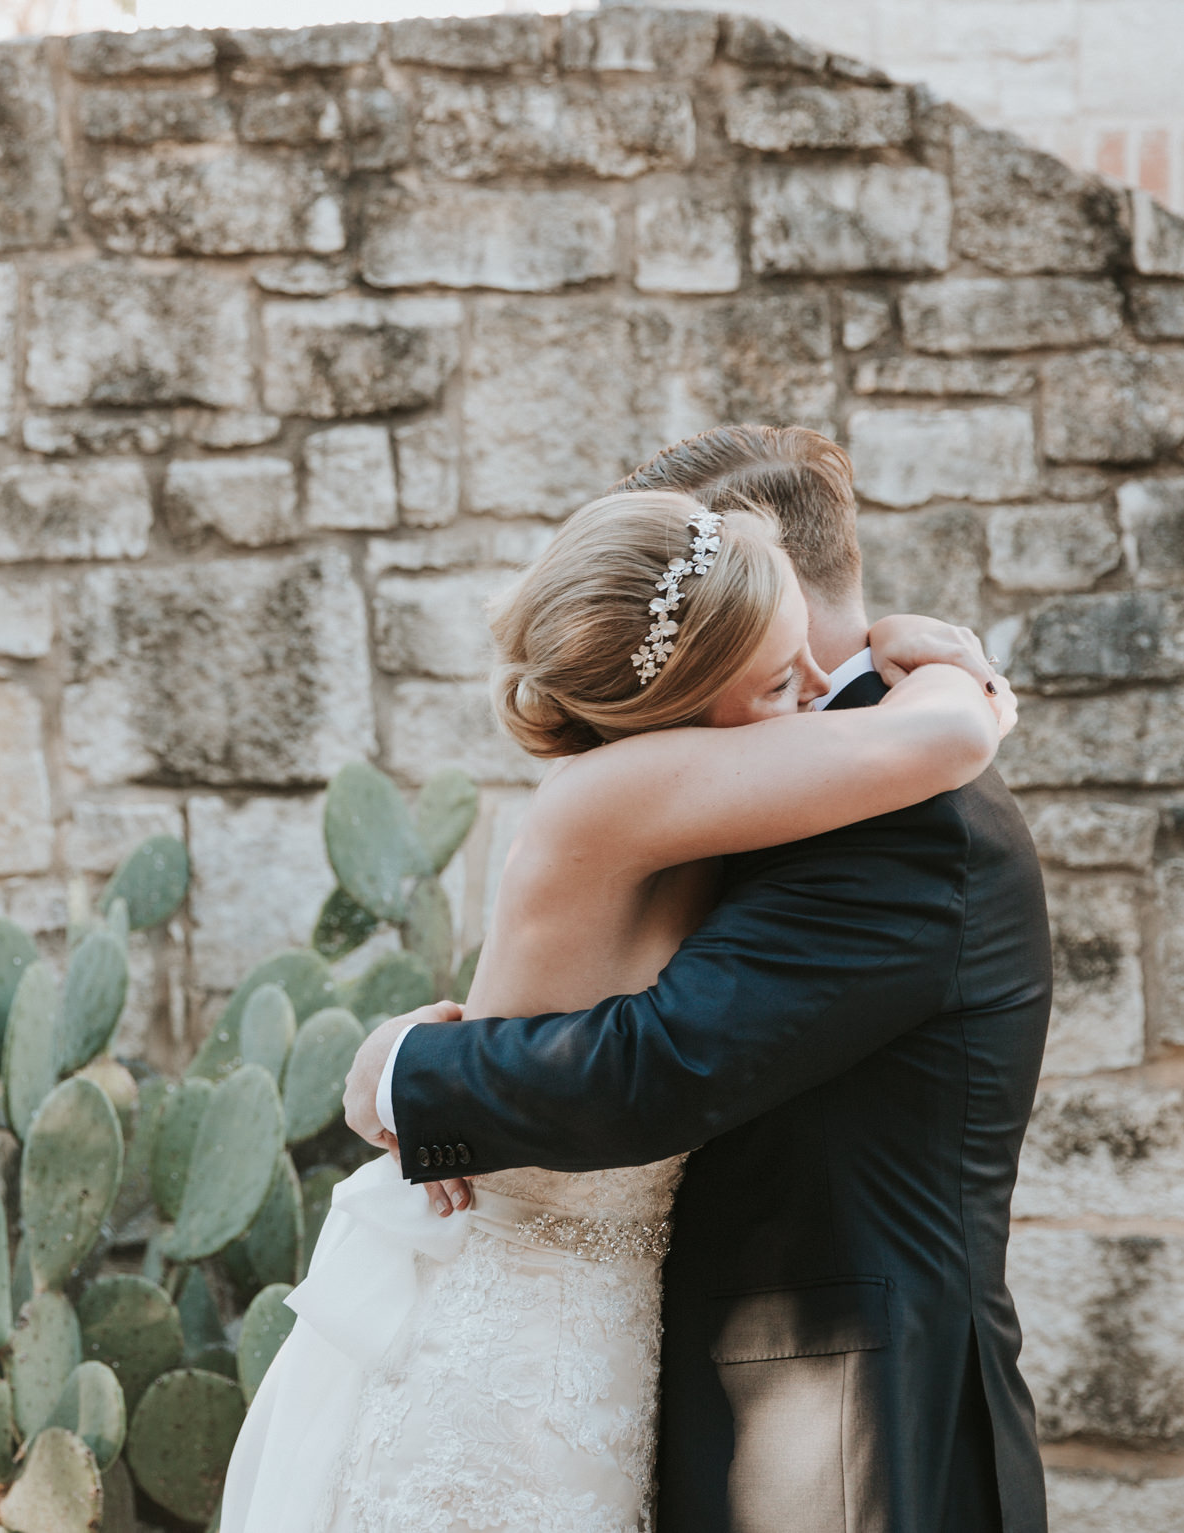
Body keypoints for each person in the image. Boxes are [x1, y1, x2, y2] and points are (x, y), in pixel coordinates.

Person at [228, 449, 1043, 1533]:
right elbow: (651, 1051)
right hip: (552, 1352)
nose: (799, 686)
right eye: (767, 666)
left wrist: (409, 1075)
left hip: (836, 1417)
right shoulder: (686, 782)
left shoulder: (899, 826)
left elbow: (663, 1060)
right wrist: (400, 1073)